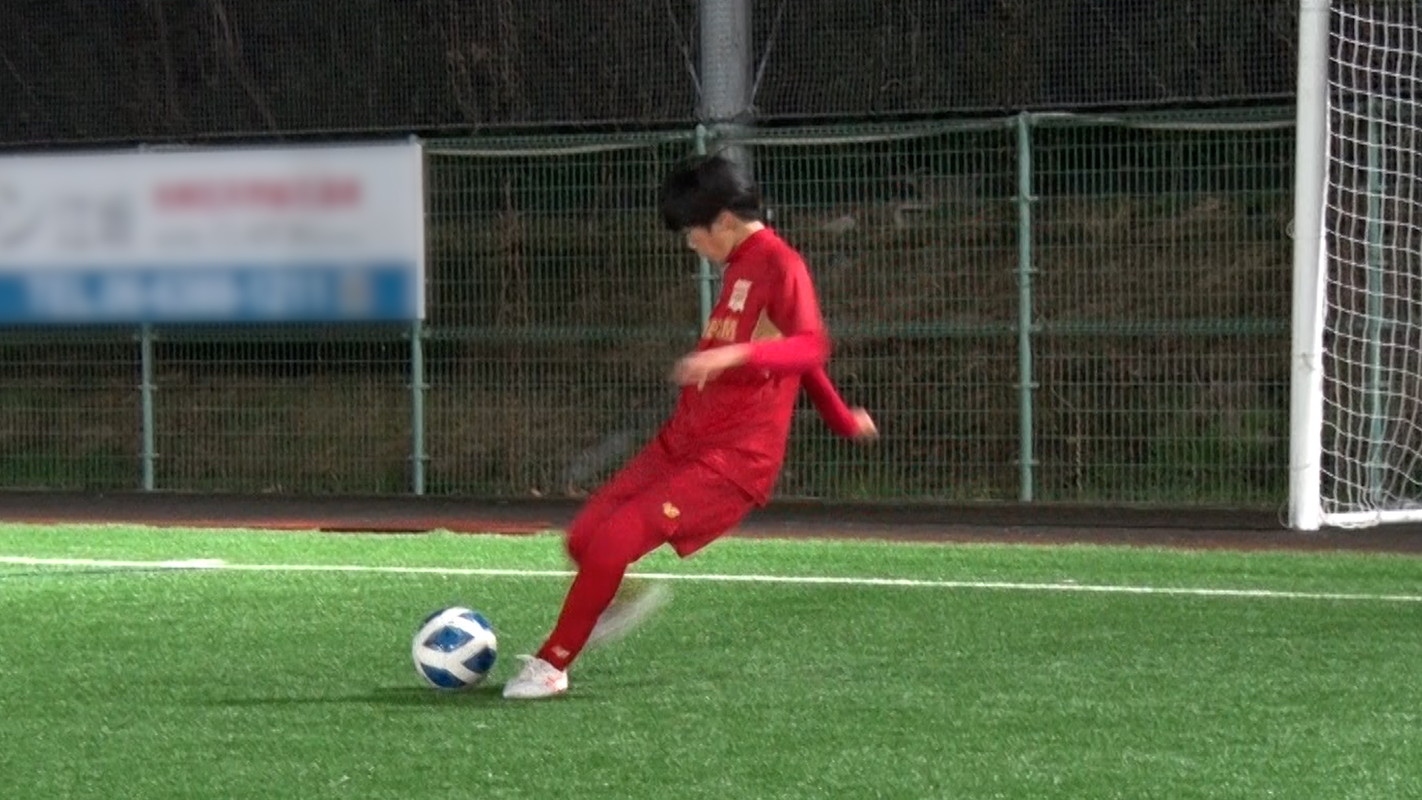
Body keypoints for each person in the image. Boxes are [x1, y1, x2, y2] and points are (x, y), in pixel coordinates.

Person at [502, 154, 878, 700]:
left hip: (732, 461)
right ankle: (616, 599)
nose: (691, 244)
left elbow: (811, 346)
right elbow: (794, 359)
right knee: (584, 538)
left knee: (614, 542)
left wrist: (731, 357)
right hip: (682, 441)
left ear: (723, 220)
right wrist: (843, 419)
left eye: (692, 232)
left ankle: (551, 664)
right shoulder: (740, 267)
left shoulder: (780, 263)